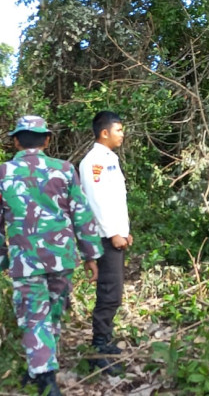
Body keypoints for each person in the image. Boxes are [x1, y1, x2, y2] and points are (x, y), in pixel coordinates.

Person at [0, 115, 103, 396]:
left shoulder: (2, 173)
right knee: (53, 313)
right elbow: (81, 214)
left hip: (26, 261)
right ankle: (41, 368)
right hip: (62, 257)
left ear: (16, 141)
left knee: (35, 316)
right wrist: (91, 255)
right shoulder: (65, 169)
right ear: (47, 140)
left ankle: (44, 376)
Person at [79, 111, 133, 374]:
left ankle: (104, 341)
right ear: (104, 133)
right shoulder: (93, 162)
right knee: (109, 294)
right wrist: (113, 233)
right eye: (119, 130)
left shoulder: (110, 159)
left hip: (113, 234)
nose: (122, 134)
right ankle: (97, 350)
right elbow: (96, 201)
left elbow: (116, 200)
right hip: (103, 237)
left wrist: (124, 229)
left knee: (114, 292)